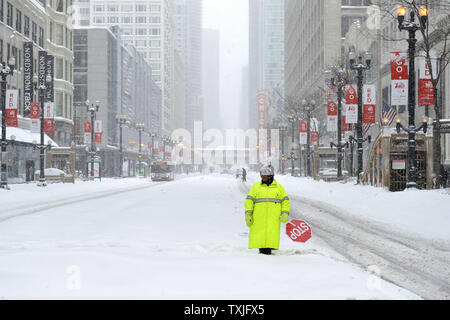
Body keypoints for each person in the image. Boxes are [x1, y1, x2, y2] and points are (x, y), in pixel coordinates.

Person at [244, 165, 290, 255]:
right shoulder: (255, 187)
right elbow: (249, 201)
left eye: (265, 175)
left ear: (271, 176)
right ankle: (262, 254)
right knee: (260, 237)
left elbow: (285, 201)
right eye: (262, 175)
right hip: (259, 218)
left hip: (273, 218)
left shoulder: (279, 188)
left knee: (271, 236)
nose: (263, 177)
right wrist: (248, 215)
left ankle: (268, 254)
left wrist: (285, 213)